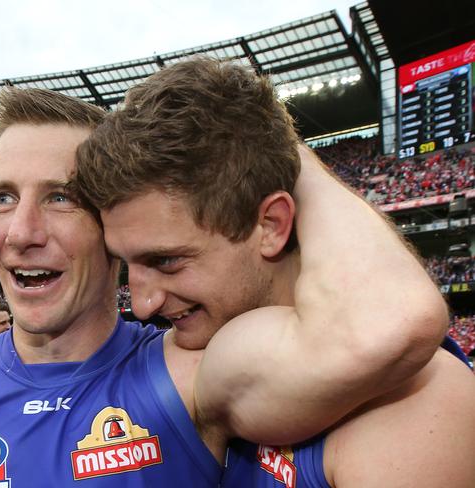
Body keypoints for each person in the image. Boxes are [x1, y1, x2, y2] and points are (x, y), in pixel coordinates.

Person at [0, 79, 445, 487]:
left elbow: (389, 325)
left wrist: (278, 145)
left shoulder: (195, 370)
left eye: (61, 197)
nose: (22, 232)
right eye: (2, 198)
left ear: (111, 223)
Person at [74, 57, 475, 486]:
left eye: (167, 260)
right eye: (126, 265)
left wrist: (288, 145)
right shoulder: (198, 353)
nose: (142, 303)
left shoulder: (420, 407)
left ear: (270, 225)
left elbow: (395, 325)